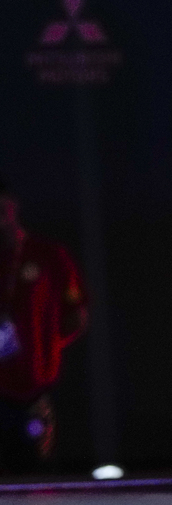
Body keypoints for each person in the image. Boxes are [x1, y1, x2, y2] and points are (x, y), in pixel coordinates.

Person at [0, 179, 88, 473]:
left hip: (34, 390)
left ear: (14, 205)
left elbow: (76, 316)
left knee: (36, 479)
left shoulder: (50, 256)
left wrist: (46, 349)